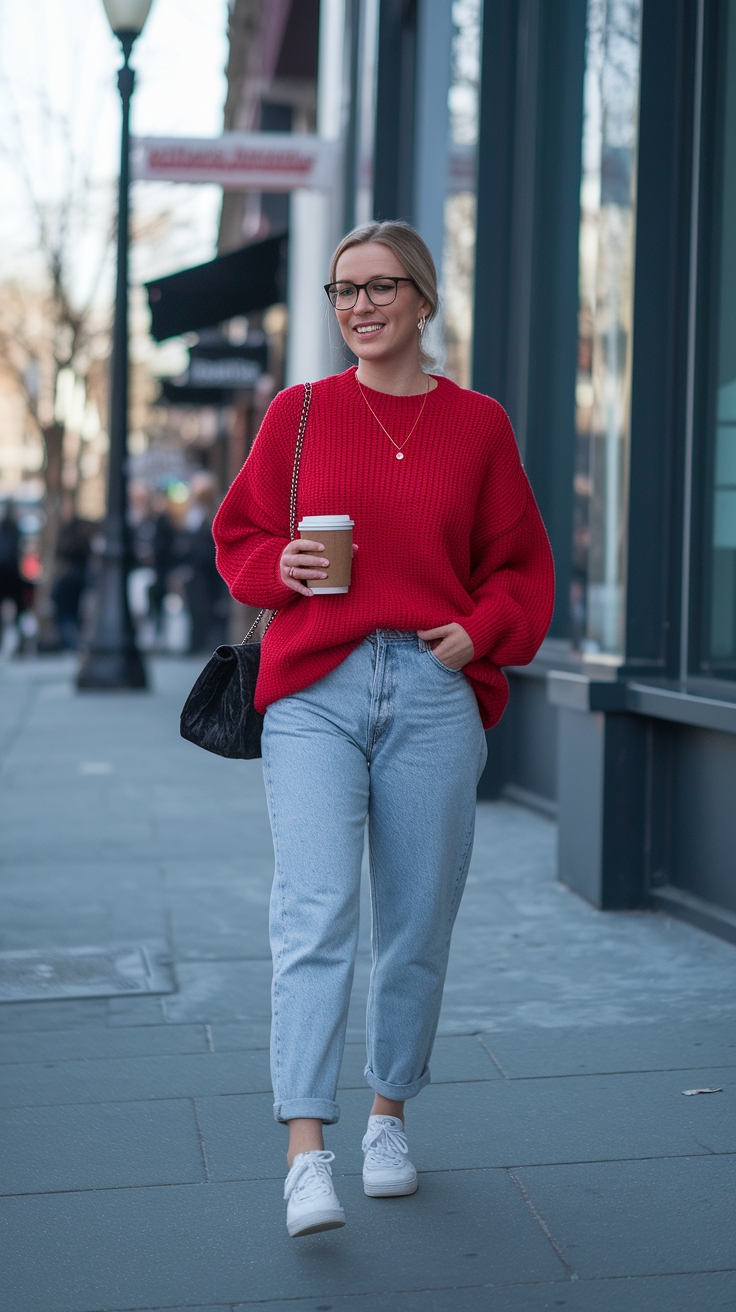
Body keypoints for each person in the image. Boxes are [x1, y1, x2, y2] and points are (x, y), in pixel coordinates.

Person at [213, 220, 554, 1238]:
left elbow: (522, 568)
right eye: (342, 290)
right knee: (314, 915)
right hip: (315, 685)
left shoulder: (478, 425)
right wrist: (283, 569)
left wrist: (480, 631)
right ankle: (305, 1149)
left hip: (433, 686)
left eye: (380, 286)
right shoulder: (300, 414)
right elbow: (240, 538)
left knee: (415, 922)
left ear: (423, 297)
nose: (359, 305)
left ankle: (388, 1117)